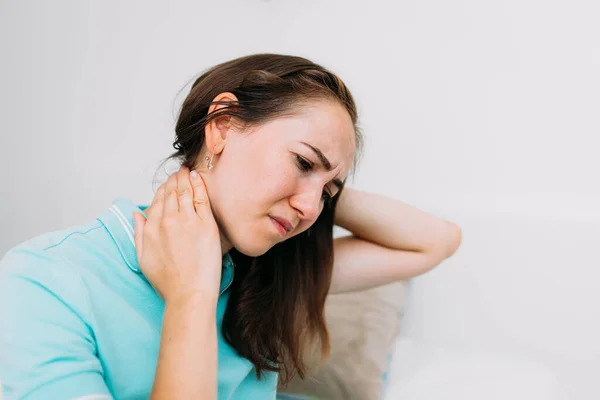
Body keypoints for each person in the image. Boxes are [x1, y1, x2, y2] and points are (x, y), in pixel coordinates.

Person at [0, 53, 462, 400]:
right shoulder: (42, 282)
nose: (310, 208)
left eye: (328, 194)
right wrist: (191, 296)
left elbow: (436, 242)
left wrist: (317, 183)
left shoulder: (267, 267)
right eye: (301, 160)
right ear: (221, 125)